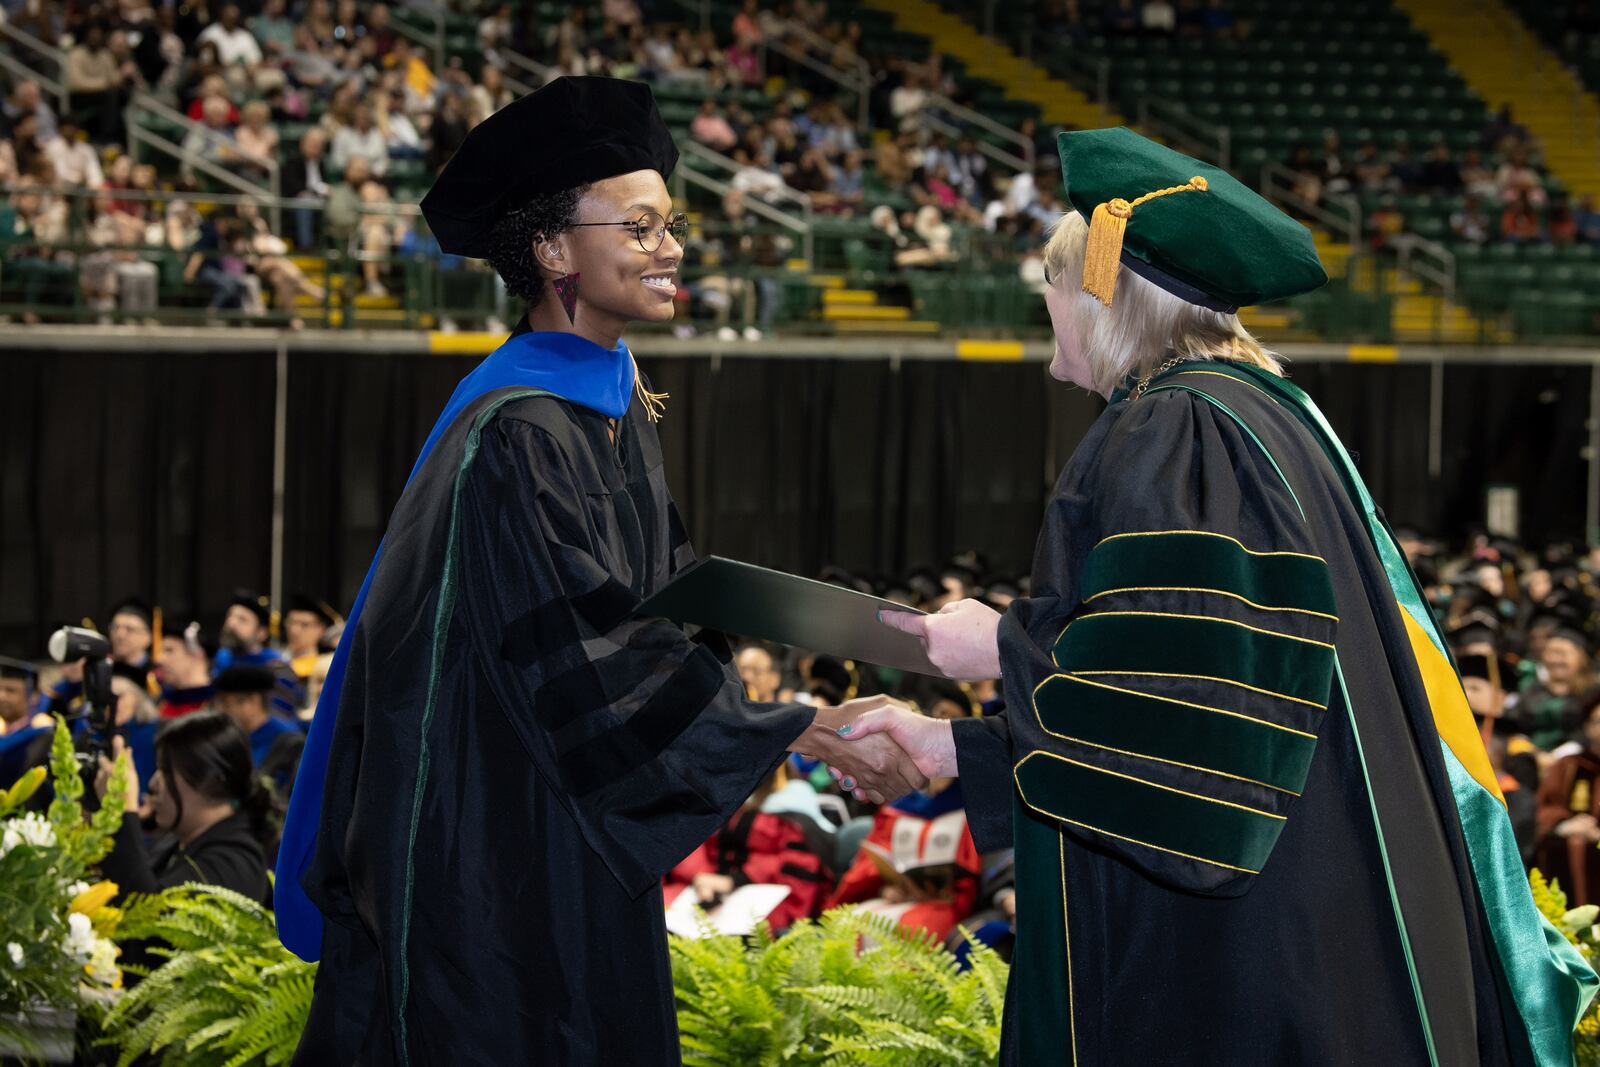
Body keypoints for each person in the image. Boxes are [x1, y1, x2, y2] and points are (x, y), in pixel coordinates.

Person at [846, 127, 1598, 1063]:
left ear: (1104, 290)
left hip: (1235, 966)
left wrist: (995, 647)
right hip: (1312, 920)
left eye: (1052, 297)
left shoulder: (1179, 428)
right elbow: (1225, 715)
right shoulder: (1270, 417)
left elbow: (1188, 729)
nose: (1046, 330)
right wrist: (951, 746)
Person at [277, 77, 922, 1065]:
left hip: (553, 827)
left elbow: (668, 582)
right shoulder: (520, 431)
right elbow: (593, 651)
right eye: (641, 223)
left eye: (672, 223)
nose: (669, 246)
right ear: (550, 248)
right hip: (492, 844)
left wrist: (884, 631)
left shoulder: (605, 401)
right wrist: (799, 727)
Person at [94, 711, 274, 905]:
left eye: (166, 771)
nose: (154, 783)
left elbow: (152, 924)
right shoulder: (174, 841)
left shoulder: (234, 864)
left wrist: (121, 813)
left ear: (211, 781)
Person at [1533, 693, 1600, 905]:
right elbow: (1545, 806)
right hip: (1570, 858)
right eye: (1598, 721)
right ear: (1588, 727)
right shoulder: (1569, 765)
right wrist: (1565, 824)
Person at [214, 665, 300, 766]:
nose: (221, 709)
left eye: (226, 703)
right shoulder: (230, 737)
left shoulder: (288, 741)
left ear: (253, 700)